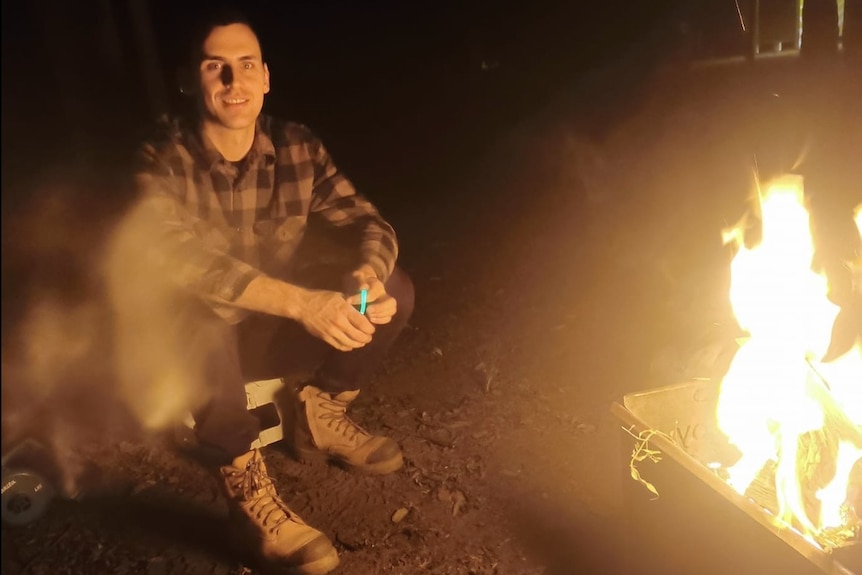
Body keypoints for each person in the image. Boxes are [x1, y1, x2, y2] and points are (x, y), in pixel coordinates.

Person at [107, 7, 414, 575]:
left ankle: (320, 412)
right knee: (187, 312)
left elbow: (367, 221)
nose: (233, 81)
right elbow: (177, 258)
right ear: (188, 80)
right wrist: (303, 302)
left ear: (266, 77)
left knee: (393, 285)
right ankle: (243, 485)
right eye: (215, 67)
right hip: (190, 350)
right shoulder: (160, 157)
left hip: (267, 332)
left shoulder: (297, 146)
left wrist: (366, 275)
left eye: (246, 65)